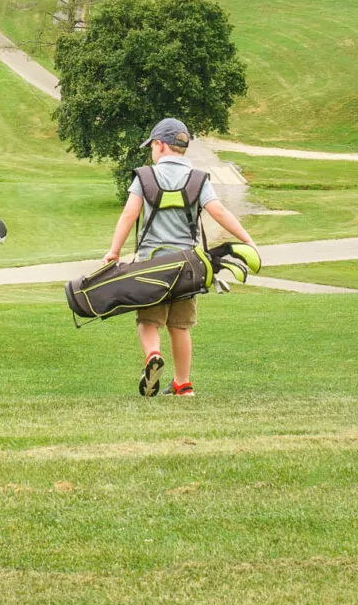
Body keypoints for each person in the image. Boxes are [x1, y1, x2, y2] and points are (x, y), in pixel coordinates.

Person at [101, 117, 256, 398]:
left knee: (149, 321)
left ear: (160, 145)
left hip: (151, 265)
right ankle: (183, 384)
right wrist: (247, 239)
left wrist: (113, 251)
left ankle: (153, 357)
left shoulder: (146, 177)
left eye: (152, 146)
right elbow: (218, 211)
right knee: (180, 326)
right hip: (187, 267)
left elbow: (129, 214)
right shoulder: (197, 179)